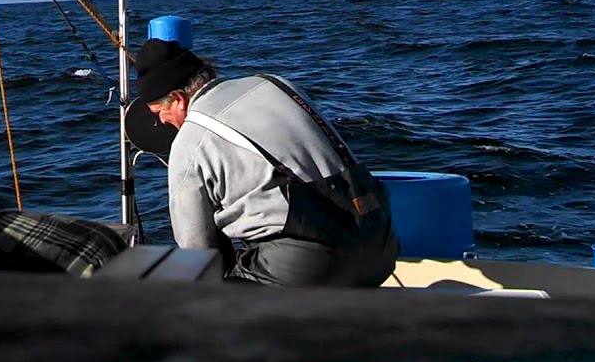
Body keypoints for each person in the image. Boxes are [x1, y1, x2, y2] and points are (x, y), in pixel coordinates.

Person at [132, 38, 399, 287]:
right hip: (380, 241)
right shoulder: (275, 83)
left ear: (178, 99)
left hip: (310, 266)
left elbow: (196, 248)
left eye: (159, 112)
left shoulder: (190, 139)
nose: (163, 122)